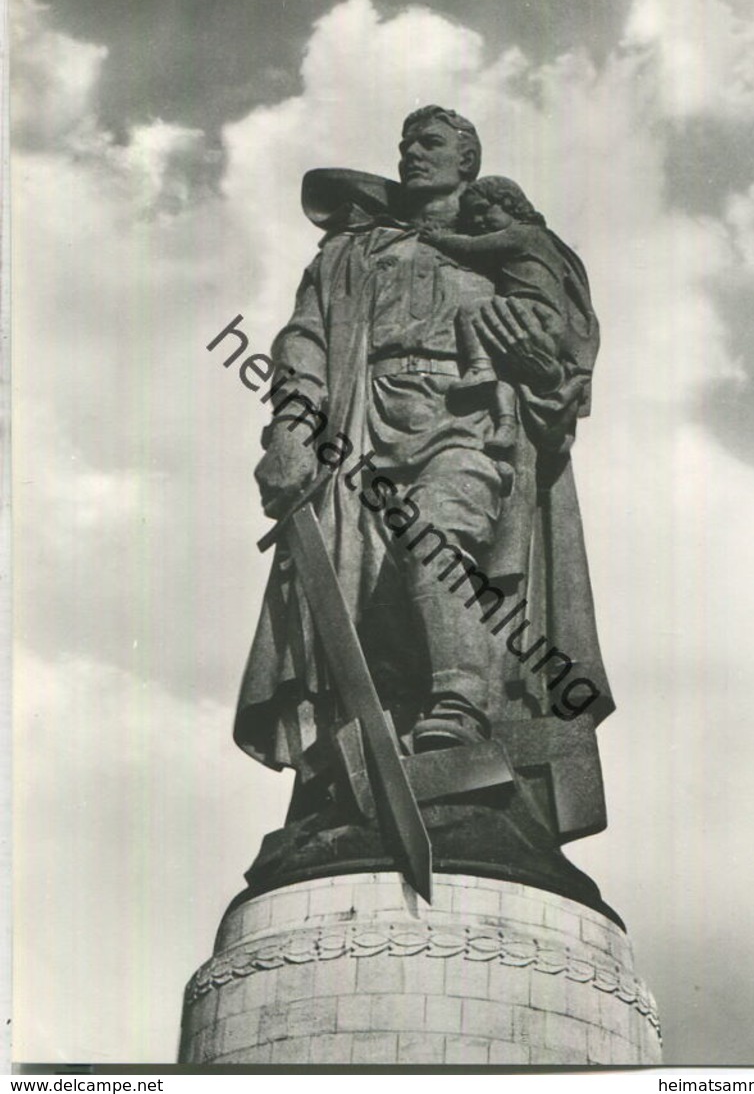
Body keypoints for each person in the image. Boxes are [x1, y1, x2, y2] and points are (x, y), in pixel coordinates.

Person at [235, 107, 614, 874]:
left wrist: (536, 361)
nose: (412, 153)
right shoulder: (352, 250)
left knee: (435, 543)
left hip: (464, 420)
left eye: (431, 143)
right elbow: (305, 337)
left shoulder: (503, 244)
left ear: (467, 160)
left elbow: (565, 350)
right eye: (405, 142)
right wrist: (291, 427)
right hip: (359, 429)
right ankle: (367, 779)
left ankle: (459, 712)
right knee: (360, 604)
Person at [421, 175, 566, 455]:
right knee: (506, 374)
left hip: (532, 309)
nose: (478, 221)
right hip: (543, 319)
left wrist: (438, 238)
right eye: (472, 215)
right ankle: (506, 426)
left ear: (510, 205)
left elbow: (473, 247)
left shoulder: (524, 233)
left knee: (472, 309)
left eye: (484, 209)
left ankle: (479, 366)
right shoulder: (539, 239)